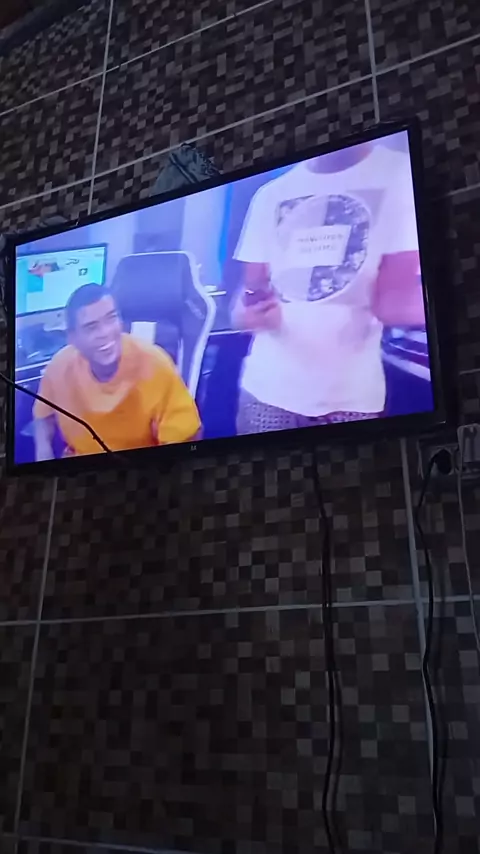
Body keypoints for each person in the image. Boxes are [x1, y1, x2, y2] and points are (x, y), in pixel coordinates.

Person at [231, 137, 427, 433]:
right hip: (266, 393)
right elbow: (244, 297)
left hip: (352, 399)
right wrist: (246, 316)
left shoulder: (399, 174)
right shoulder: (271, 194)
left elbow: (392, 303)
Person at [33, 283, 201, 460]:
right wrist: (43, 451)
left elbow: (187, 439)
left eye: (111, 319)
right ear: (72, 338)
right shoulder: (59, 367)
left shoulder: (155, 364)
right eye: (91, 327)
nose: (105, 332)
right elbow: (43, 416)